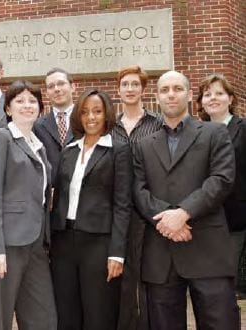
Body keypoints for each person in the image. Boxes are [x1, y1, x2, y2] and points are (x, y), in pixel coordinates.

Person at [134, 70, 239, 329]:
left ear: (190, 95)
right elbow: (138, 190)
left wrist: (183, 213)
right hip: (161, 254)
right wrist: (167, 220)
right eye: (164, 90)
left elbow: (221, 179)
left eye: (178, 89)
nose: (171, 94)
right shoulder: (143, 144)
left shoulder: (214, 133)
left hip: (207, 247)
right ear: (156, 96)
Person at [50, 88, 133, 330]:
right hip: (64, 242)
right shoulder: (69, 150)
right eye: (85, 112)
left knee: (99, 314)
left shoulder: (118, 150)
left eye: (97, 111)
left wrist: (117, 253)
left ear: (106, 115)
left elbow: (123, 204)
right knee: (66, 314)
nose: (91, 117)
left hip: (99, 244)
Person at [0, 80, 57, 330]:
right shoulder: (0, 137)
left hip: (36, 244)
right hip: (7, 244)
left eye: (33, 101)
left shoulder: (39, 145)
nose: (27, 105)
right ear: (8, 109)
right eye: (20, 100)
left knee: (43, 317)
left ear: (40, 107)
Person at [113, 65, 162, 330]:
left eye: (135, 84)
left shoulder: (157, 123)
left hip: (148, 210)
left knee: (147, 275)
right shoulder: (111, 126)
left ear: (143, 89)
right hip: (117, 211)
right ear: (118, 89)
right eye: (125, 84)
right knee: (121, 276)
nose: (130, 89)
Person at [197, 73, 246, 290]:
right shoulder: (197, 133)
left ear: (231, 99)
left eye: (219, 93)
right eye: (207, 95)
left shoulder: (243, 129)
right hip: (205, 221)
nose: (213, 98)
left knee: (230, 284)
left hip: (236, 220)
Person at [33, 67, 75, 185]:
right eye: (51, 86)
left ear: (73, 87)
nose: (56, 89)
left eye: (61, 83)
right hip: (51, 195)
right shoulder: (37, 125)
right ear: (47, 93)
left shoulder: (86, 120)